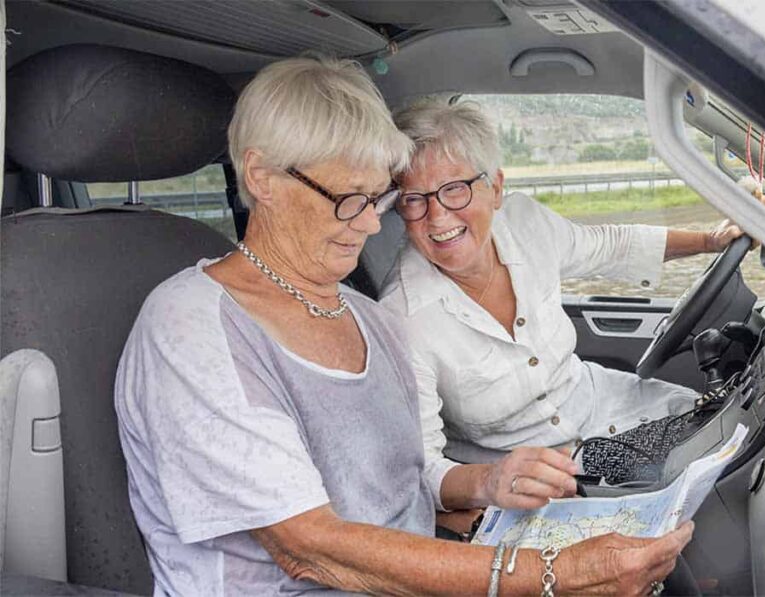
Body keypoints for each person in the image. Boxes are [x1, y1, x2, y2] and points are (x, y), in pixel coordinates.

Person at [114, 56, 692, 595]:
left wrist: (487, 490)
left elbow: (404, 488)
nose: (370, 225)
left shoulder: (365, 319)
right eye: (348, 199)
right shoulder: (193, 325)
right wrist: (550, 573)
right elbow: (307, 550)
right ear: (263, 178)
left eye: (377, 198)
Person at [379, 99, 753, 499]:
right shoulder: (402, 318)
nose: (437, 217)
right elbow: (424, 469)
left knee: (734, 432)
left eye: (454, 189)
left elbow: (610, 245)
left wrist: (709, 241)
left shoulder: (525, 224)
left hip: (612, 407)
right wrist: (490, 483)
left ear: (496, 189)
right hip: (545, 480)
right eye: (414, 199)